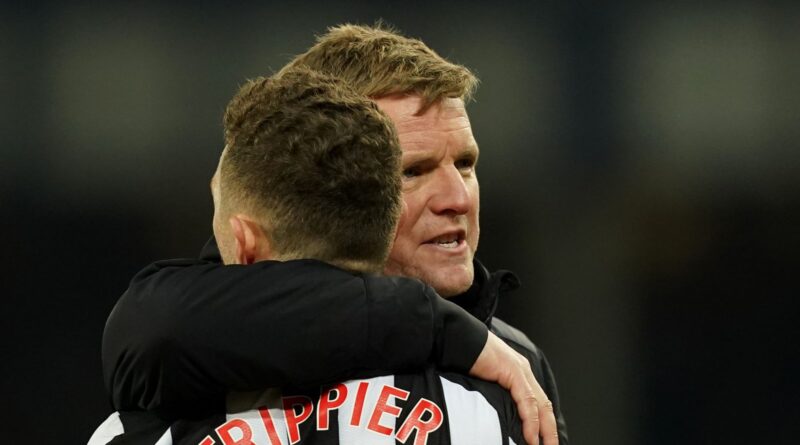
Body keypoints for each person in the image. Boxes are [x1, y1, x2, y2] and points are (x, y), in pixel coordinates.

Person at [99, 24, 567, 445]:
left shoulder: (515, 361)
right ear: (330, 175)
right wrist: (438, 325)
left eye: (465, 164)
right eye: (413, 171)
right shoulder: (190, 342)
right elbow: (154, 328)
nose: (457, 199)